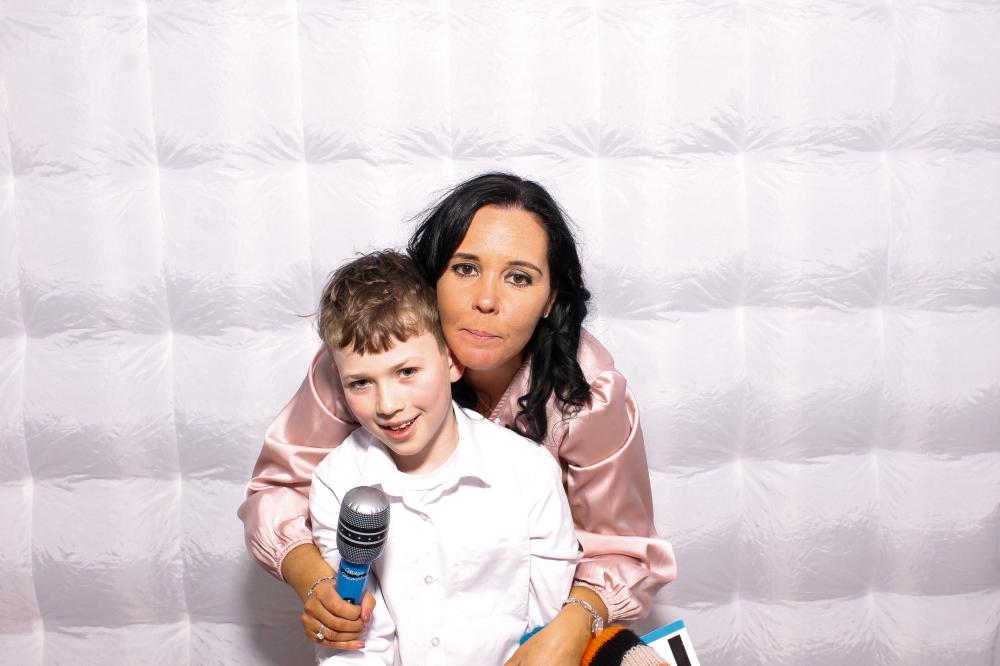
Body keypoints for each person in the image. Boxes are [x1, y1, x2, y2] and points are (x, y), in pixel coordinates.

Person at [239, 172, 677, 665]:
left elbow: (624, 549)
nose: (486, 301)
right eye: (466, 268)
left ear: (551, 299)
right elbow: (278, 489)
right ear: (433, 278)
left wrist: (570, 626)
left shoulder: (588, 395)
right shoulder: (361, 359)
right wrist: (317, 582)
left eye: (519, 277)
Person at [308, 250, 579, 664]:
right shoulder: (336, 481)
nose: (388, 404)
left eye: (406, 372)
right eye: (361, 383)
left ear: (451, 361)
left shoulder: (528, 472)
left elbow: (549, 627)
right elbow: (357, 641)